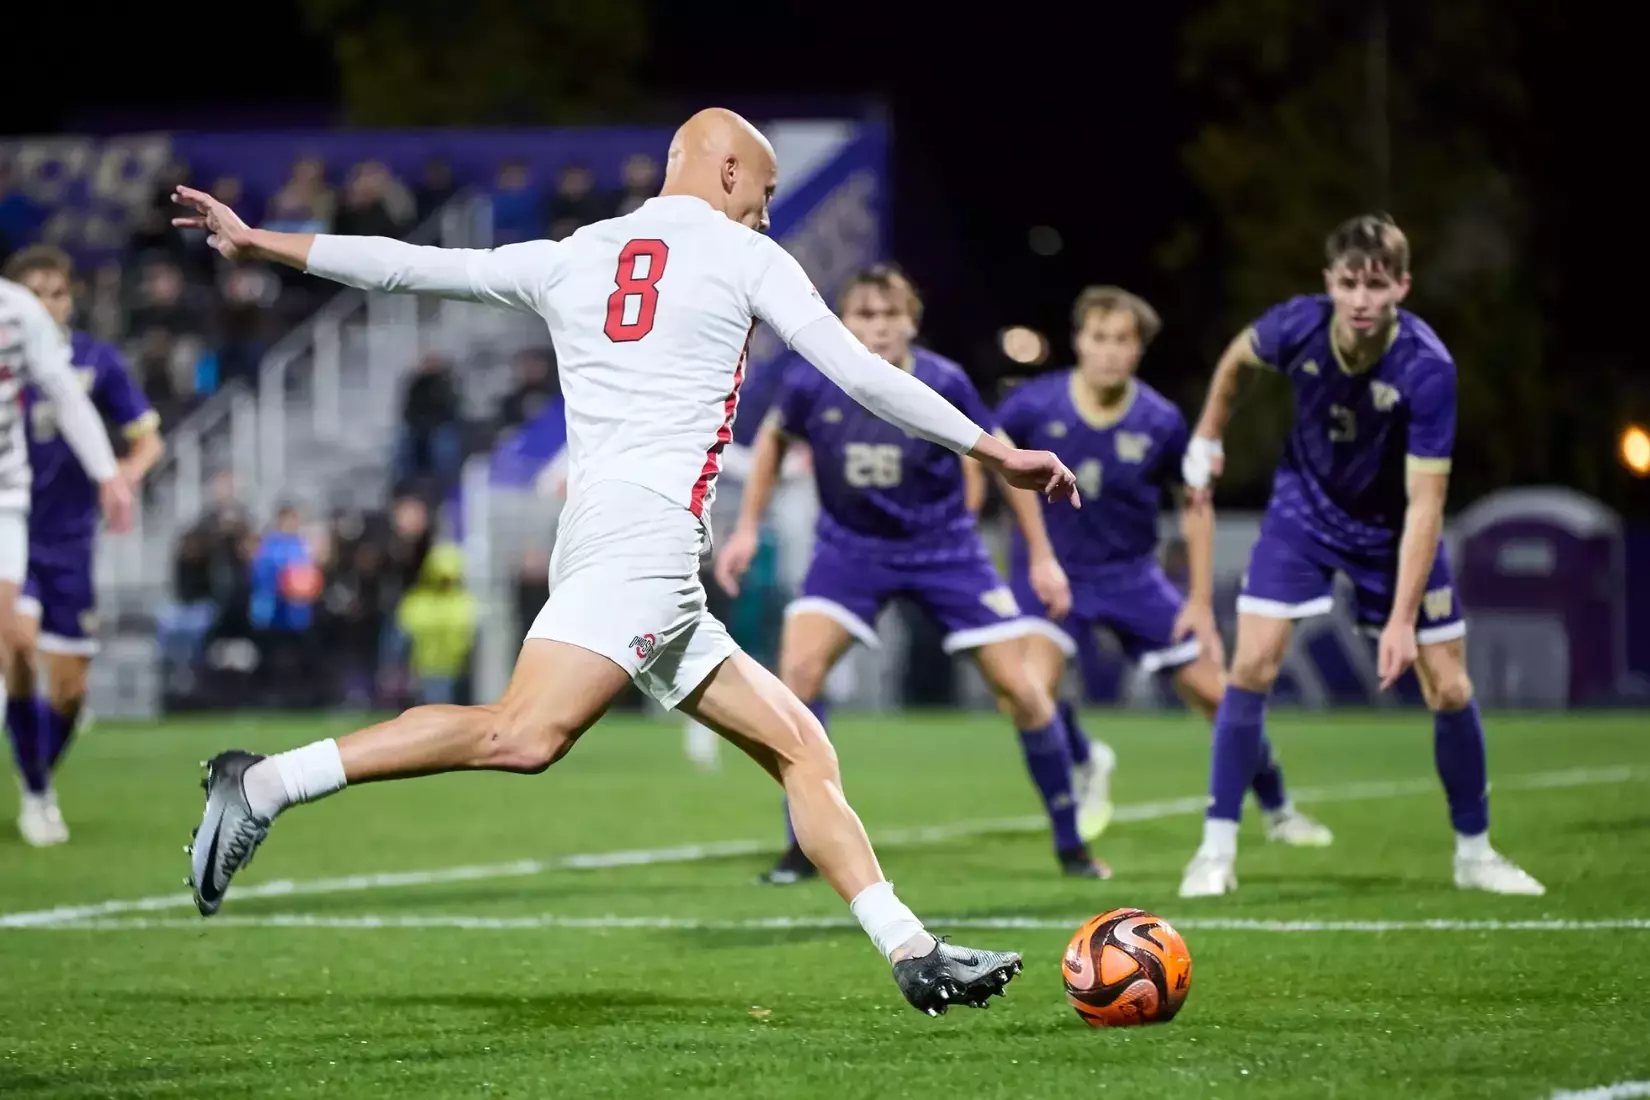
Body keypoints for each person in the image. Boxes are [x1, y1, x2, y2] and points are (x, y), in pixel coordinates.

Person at [174, 108, 1080, 1016]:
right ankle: (265, 781)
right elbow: (864, 374)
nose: (766, 215)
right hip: (642, 540)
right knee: (523, 734)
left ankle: (912, 951)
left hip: (625, 542)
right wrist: (993, 452)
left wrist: (262, 243)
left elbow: (412, 265)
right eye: (763, 196)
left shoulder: (575, 252)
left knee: (802, 745)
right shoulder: (744, 255)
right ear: (727, 173)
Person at [1176, 213, 1543, 898]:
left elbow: (1427, 504)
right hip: (1304, 513)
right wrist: (1207, 436)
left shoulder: (1427, 369)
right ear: (1329, 283)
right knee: (1250, 663)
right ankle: (1215, 850)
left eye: (1377, 284)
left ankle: (1475, 853)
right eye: (1349, 283)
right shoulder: (1298, 325)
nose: (1362, 299)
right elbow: (1235, 360)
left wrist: (1401, 619)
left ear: (1402, 285)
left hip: (1392, 527)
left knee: (1450, 686)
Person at [715, 264, 1111, 885]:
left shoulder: (945, 379)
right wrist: (746, 527)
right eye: (865, 315)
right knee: (798, 673)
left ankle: (1072, 844)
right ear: (844, 321)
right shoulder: (813, 377)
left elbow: (1006, 464)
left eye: (890, 315)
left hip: (944, 550)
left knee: (1023, 689)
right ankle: (801, 847)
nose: (877, 328)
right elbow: (770, 442)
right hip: (850, 551)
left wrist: (1041, 557)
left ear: (911, 322)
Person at [995, 285, 1330, 851]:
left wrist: (1199, 601)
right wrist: (1037, 556)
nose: (1108, 351)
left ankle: (1278, 809)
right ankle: (1086, 759)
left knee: (1218, 697)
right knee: (1027, 690)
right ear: (1079, 341)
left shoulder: (1160, 420)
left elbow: (1195, 502)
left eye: (1122, 340)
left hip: (1132, 576)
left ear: (1138, 350)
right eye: (1098, 337)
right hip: (1057, 575)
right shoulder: (1034, 405)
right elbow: (996, 458)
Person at [0, 269, 134, 846]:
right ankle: (36, 793)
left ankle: (36, 787)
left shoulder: (20, 318)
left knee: (68, 688)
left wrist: (112, 476)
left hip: (22, 512)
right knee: (17, 643)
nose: (47, 302)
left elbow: (70, 398)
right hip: (24, 535)